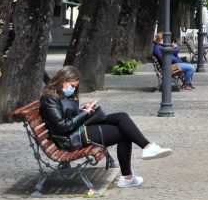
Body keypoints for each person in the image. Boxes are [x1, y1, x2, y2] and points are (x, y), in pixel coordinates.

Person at [39, 66, 172, 188]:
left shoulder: (59, 96)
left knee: (122, 116)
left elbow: (67, 118)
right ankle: (129, 175)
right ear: (63, 80)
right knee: (125, 133)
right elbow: (62, 126)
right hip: (71, 138)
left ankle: (147, 148)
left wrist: (85, 110)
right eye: (72, 86)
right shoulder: (50, 99)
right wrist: (84, 113)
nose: (73, 89)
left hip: (77, 130)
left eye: (75, 86)